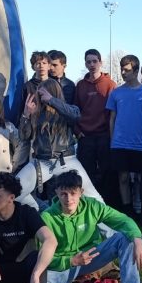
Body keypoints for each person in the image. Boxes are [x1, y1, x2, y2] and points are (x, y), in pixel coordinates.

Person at [14, 78, 104, 208]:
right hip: (41, 162)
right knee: (15, 190)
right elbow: (24, 136)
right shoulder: (36, 113)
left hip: (66, 160)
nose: (41, 97)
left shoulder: (66, 110)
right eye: (40, 93)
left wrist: (51, 100)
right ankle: (43, 214)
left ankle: (109, 222)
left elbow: (76, 116)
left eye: (44, 93)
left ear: (53, 92)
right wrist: (26, 116)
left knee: (94, 197)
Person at [106, 54, 142, 220]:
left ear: (136, 71)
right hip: (120, 144)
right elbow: (112, 118)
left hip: (141, 145)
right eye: (122, 69)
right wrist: (112, 141)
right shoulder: (116, 93)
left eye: (127, 70)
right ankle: (127, 213)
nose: (123, 73)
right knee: (122, 178)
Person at [74, 48, 117, 202]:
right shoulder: (80, 86)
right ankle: (87, 204)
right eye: (88, 62)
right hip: (85, 136)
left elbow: (114, 113)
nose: (92, 64)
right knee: (86, 174)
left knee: (107, 173)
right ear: (85, 64)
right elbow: (75, 111)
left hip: (104, 136)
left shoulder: (110, 84)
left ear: (100, 62)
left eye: (94, 61)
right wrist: (77, 131)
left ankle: (107, 205)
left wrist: (112, 136)